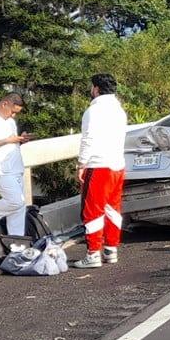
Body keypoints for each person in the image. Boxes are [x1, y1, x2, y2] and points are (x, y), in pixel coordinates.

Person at [73, 74, 128, 269]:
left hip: (99, 165)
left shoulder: (93, 111)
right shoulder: (119, 111)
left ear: (96, 89)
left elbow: (88, 139)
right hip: (117, 165)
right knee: (113, 209)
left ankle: (93, 253)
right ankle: (111, 249)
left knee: (92, 211)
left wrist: (81, 164)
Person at [0, 93, 32, 235]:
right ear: (4, 104)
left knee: (19, 209)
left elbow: (12, 141)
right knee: (16, 202)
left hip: (16, 168)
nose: (13, 116)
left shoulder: (10, 121)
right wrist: (7, 140)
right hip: (0, 170)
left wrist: (21, 139)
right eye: (13, 112)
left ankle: (17, 245)